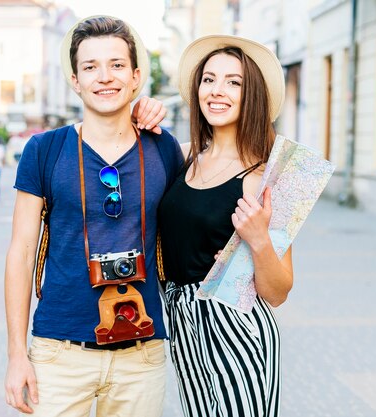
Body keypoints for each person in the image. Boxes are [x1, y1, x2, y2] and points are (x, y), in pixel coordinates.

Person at [4, 16, 183, 417]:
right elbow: (20, 253)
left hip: (142, 355)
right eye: (91, 67)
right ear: (75, 80)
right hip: (59, 353)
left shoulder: (162, 148)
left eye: (117, 65)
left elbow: (216, 162)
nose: (105, 77)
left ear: (136, 77)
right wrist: (17, 354)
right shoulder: (44, 149)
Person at [157, 35, 294, 417]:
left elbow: (279, 291)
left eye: (234, 82)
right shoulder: (183, 157)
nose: (218, 91)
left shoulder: (266, 177)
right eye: (209, 79)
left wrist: (259, 242)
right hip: (183, 322)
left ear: (251, 94)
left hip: (237, 325)